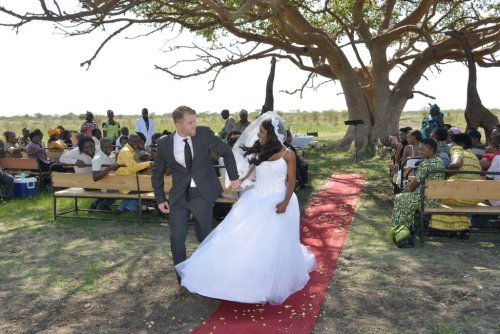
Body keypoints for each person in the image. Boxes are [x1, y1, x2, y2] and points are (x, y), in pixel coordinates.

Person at [175, 113, 316, 305]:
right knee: (244, 237)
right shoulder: (261, 150)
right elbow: (255, 168)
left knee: (274, 241)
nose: (258, 134)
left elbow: (292, 181)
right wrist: (242, 179)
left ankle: (271, 279)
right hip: (257, 197)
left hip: (279, 199)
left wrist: (285, 202)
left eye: (262, 132)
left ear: (272, 133)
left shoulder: (287, 154)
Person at [151, 105, 240, 290]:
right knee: (176, 237)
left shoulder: (203, 134)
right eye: (190, 122)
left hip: (203, 195)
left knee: (204, 236)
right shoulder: (165, 143)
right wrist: (160, 198)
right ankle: (183, 280)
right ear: (178, 124)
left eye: (195, 121)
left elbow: (226, 151)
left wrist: (234, 178)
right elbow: (157, 171)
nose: (194, 125)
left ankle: (210, 273)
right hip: (179, 197)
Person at [391, 138, 445, 246]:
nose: (419, 152)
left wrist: (405, 189)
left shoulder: (425, 164)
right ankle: (408, 230)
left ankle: (403, 235)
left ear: (431, 149)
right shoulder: (440, 162)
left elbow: (414, 186)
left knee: (400, 199)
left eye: (422, 149)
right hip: (434, 199)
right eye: (419, 149)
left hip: (424, 199)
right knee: (404, 200)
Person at [429, 133, 482, 238]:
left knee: (439, 197)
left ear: (460, 144)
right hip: (474, 197)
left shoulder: (457, 149)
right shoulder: (473, 156)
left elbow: (457, 164)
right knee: (452, 200)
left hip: (460, 194)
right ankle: (461, 230)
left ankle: (439, 229)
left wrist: (444, 172)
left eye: (451, 143)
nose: (450, 145)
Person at [116, 133, 153, 212]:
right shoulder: (126, 151)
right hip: (125, 184)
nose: (136, 144)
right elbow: (133, 167)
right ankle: (129, 209)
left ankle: (120, 209)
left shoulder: (130, 150)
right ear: (128, 141)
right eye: (134, 142)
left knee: (142, 187)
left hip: (127, 182)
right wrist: (149, 163)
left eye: (138, 142)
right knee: (148, 189)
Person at [91, 138, 120, 211]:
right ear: (101, 148)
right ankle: (104, 205)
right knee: (119, 186)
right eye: (105, 147)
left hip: (108, 182)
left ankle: (95, 205)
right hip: (99, 184)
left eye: (110, 146)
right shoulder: (97, 158)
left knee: (117, 183)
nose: (109, 149)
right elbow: (95, 177)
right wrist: (109, 169)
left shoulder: (112, 155)